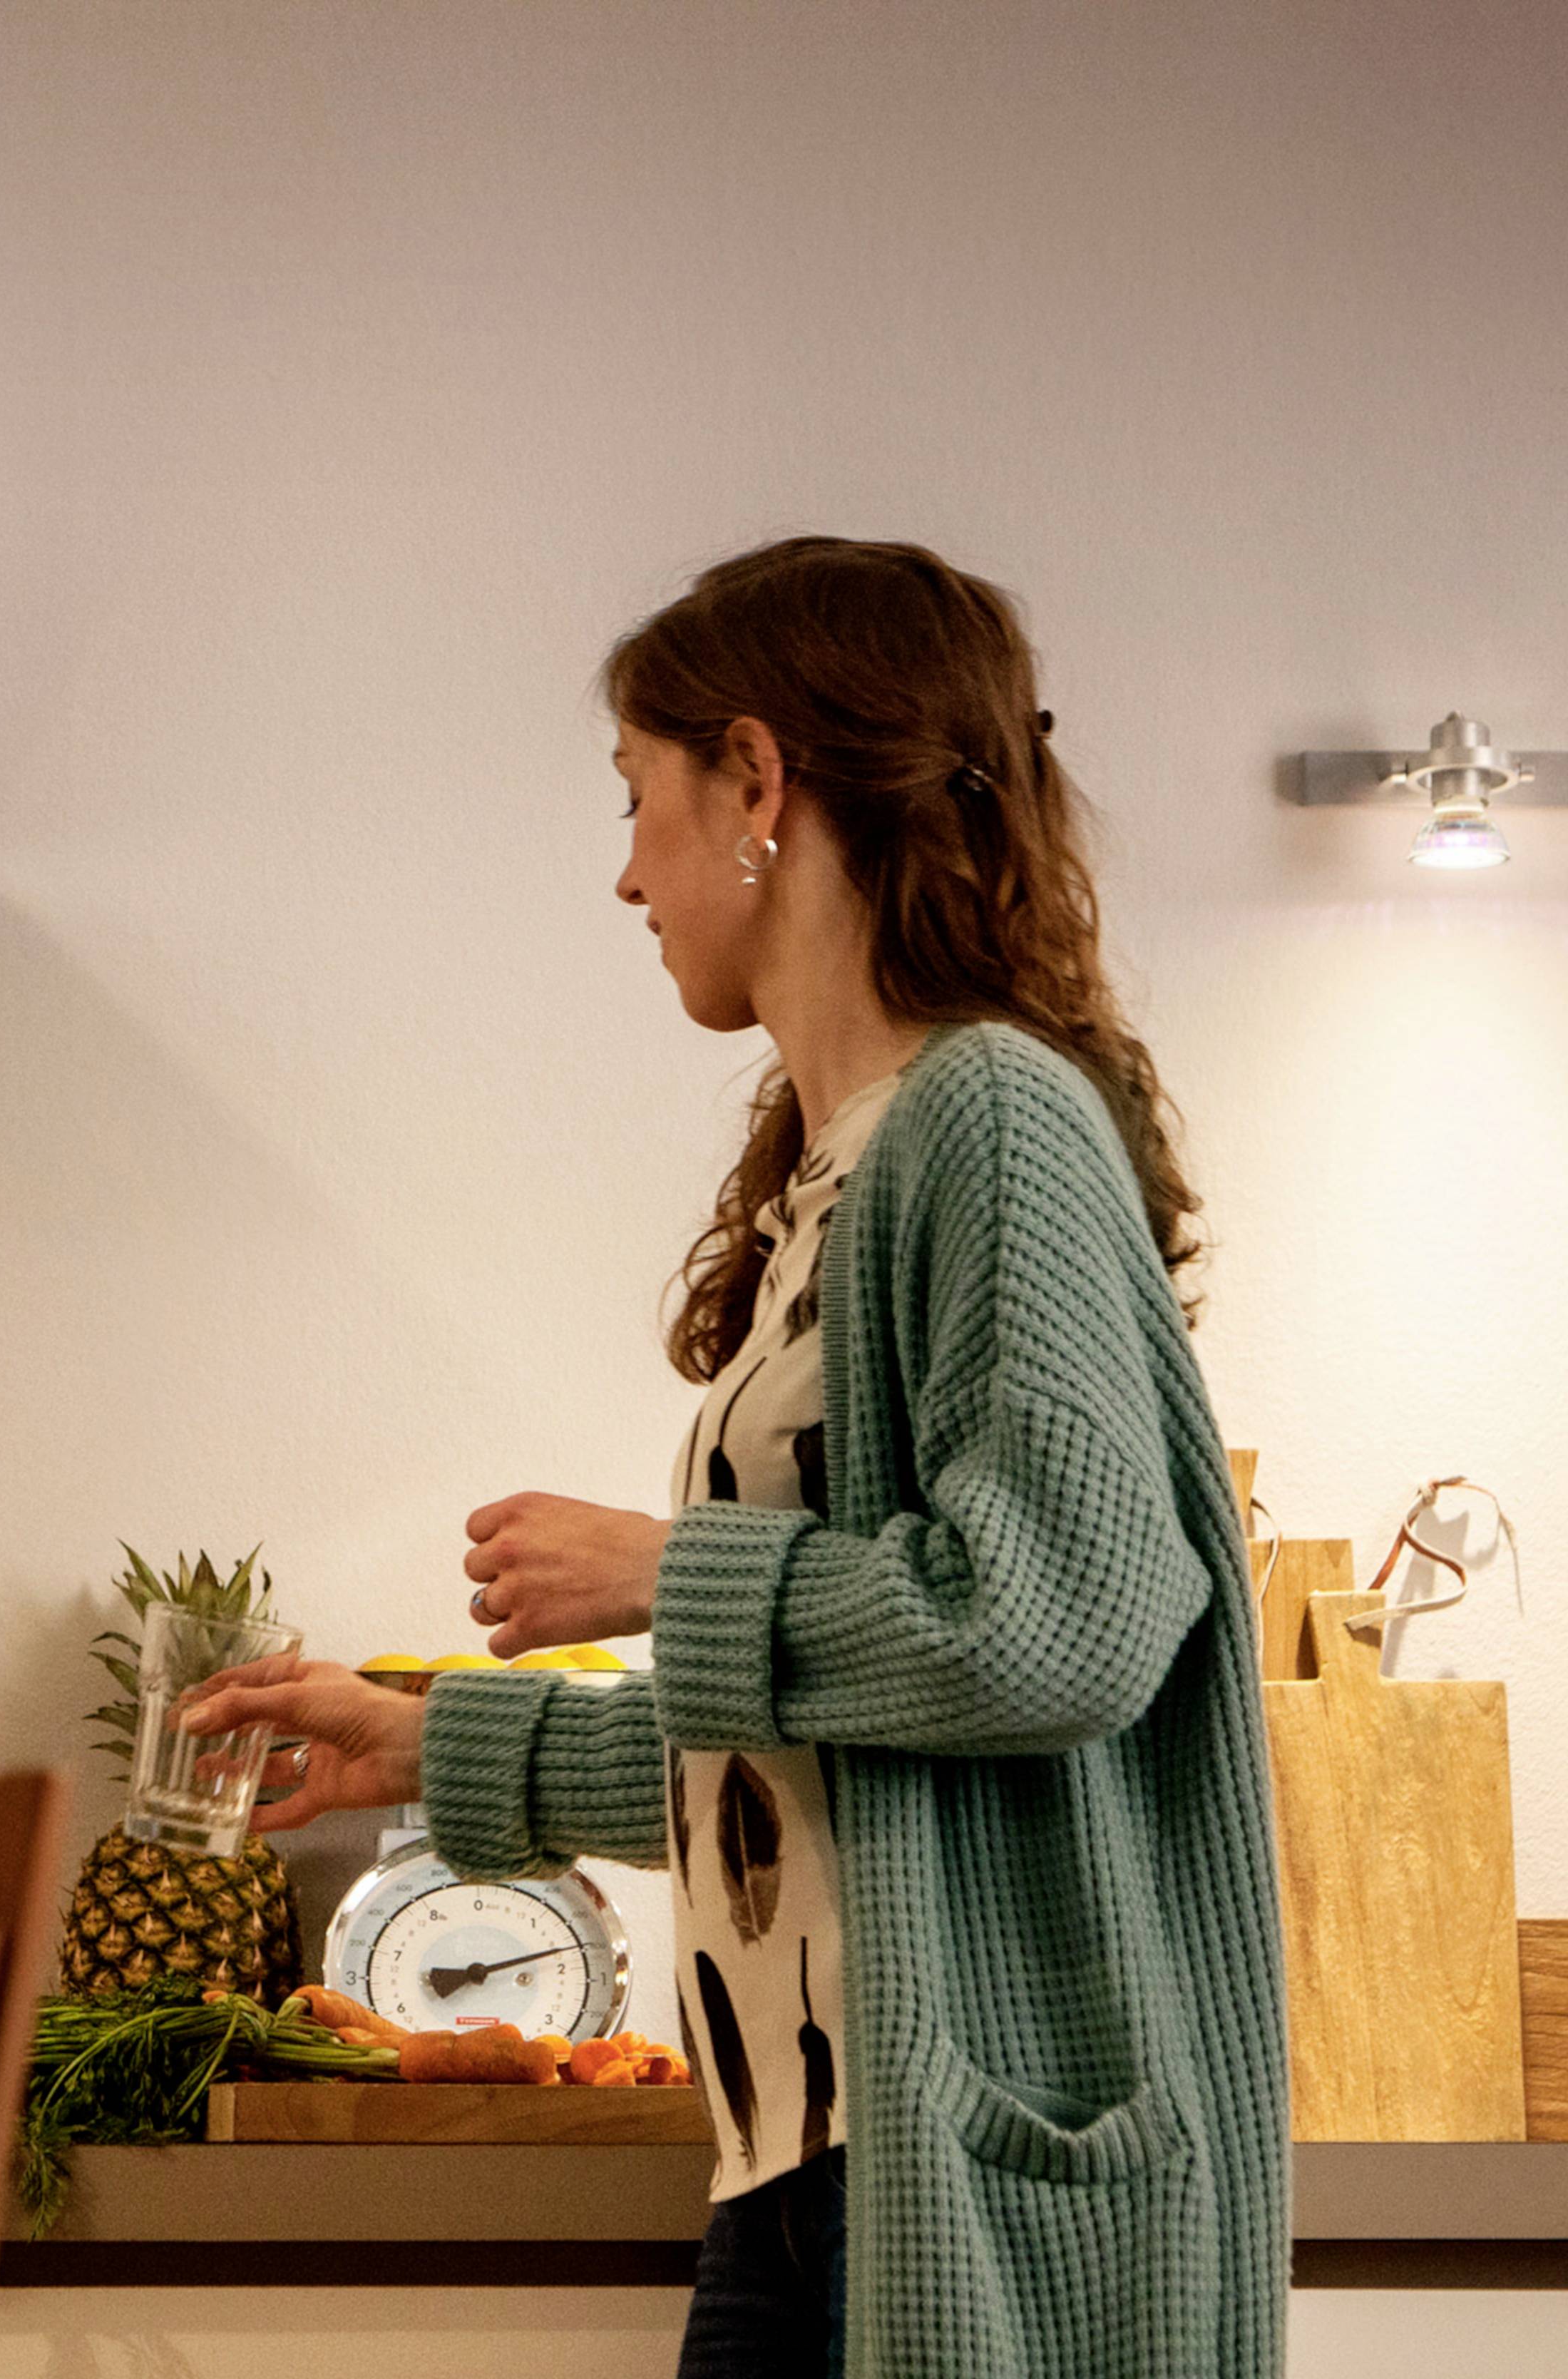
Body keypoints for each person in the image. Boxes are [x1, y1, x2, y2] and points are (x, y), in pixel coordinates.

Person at [189, 538, 1289, 2378]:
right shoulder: (841, 1170)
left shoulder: (995, 1123)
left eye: (640, 797)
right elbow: (831, 1745)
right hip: (811, 2172)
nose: (625, 872)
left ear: (759, 782)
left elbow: (1066, 1621)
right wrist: (436, 1737)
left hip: (956, 2198)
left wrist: (656, 1569)